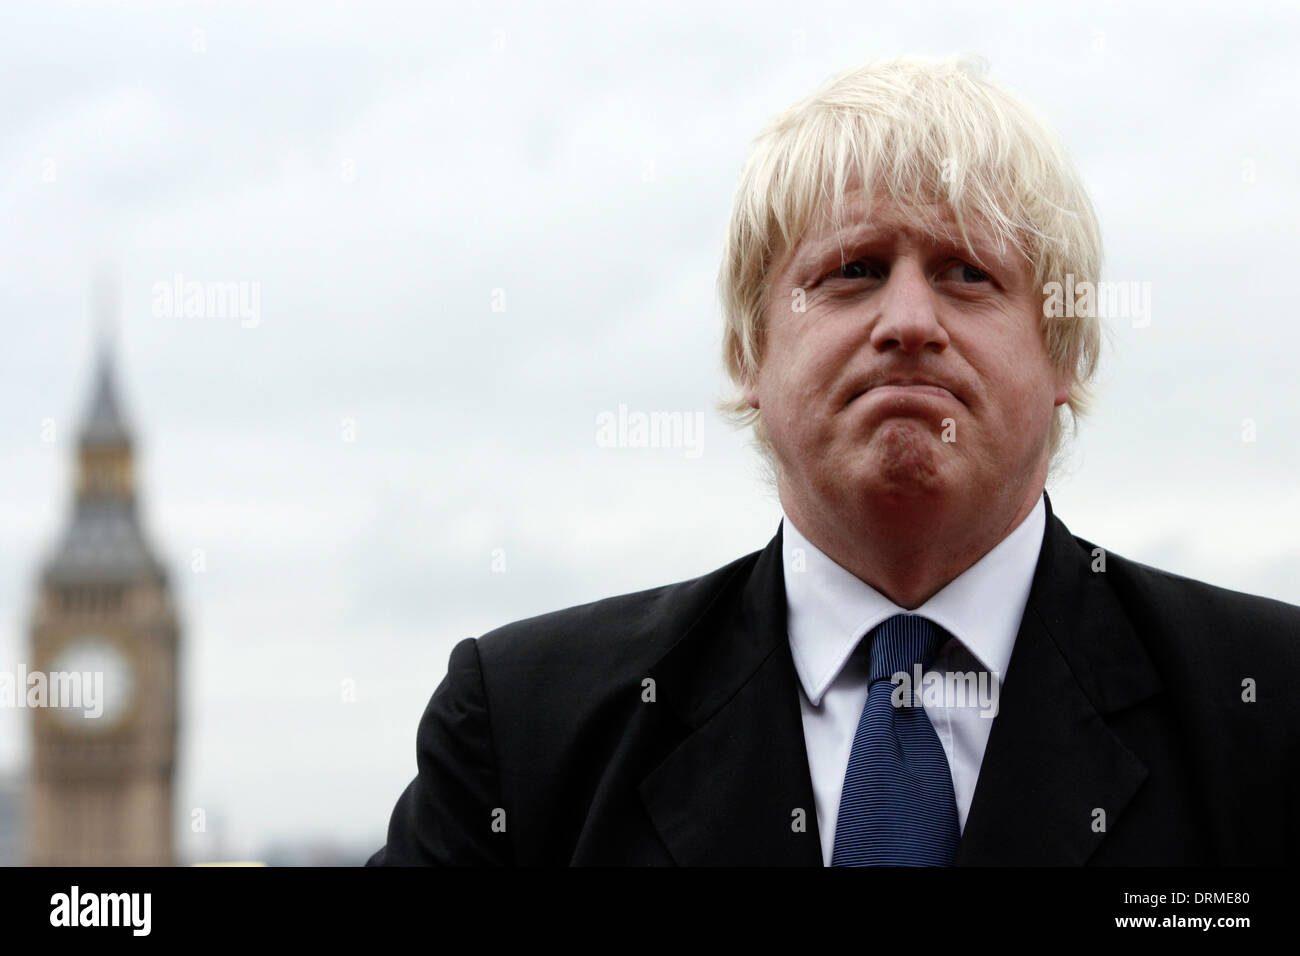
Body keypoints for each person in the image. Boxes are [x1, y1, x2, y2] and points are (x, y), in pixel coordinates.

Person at [368, 55, 1300, 866]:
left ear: (1063, 354)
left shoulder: (1269, 709)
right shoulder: (527, 730)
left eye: (967, 273)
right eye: (851, 270)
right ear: (748, 355)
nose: (907, 324)